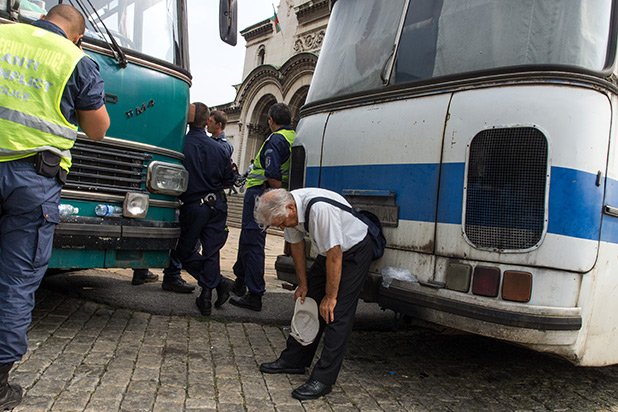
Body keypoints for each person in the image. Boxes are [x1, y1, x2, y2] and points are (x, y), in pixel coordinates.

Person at [0, 5, 110, 409]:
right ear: (77, 35)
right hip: (33, 183)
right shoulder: (76, 60)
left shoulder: (3, 35)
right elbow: (98, 129)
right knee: (15, 280)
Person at [253, 188, 372, 400]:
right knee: (308, 302)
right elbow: (297, 247)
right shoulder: (288, 209)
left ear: (290, 208)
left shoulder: (319, 209)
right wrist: (303, 284)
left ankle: (324, 379)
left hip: (353, 250)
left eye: (280, 223)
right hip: (329, 252)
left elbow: (336, 256)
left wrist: (331, 296)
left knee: (336, 313)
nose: (281, 227)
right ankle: (294, 360)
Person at [161, 102, 235, 316]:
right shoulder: (219, 148)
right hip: (217, 204)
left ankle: (212, 292)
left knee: (184, 251)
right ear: (206, 121)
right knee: (211, 252)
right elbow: (229, 180)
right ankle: (212, 290)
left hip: (193, 206)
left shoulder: (180, 145)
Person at [229, 103, 296, 312]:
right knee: (247, 239)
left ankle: (255, 293)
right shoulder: (293, 136)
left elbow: (272, 173)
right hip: (265, 193)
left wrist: (276, 198)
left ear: (270, 120)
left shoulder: (276, 139)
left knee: (253, 241)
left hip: (260, 193)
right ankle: (240, 281)